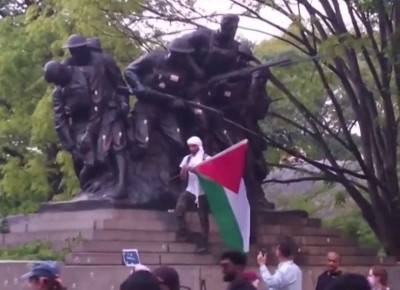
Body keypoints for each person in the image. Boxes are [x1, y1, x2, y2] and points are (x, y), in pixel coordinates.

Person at [175, 136, 210, 253]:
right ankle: (183, 232)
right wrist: (184, 170)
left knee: (203, 218)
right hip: (190, 190)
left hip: (202, 192)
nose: (191, 148)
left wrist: (196, 171)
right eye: (190, 146)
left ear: (199, 146)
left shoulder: (206, 158)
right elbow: (182, 177)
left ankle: (204, 243)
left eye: (193, 146)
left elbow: (210, 178)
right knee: (179, 208)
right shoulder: (187, 159)